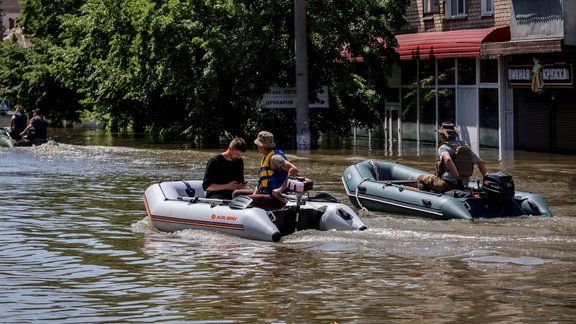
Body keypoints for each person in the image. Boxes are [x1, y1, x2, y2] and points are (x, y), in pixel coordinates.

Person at [233, 131, 299, 211]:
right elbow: (261, 181)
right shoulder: (265, 157)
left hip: (277, 199)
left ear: (261, 146)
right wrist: (255, 194)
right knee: (236, 194)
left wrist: (280, 189)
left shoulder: (275, 158)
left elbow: (294, 169)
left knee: (243, 201)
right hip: (266, 194)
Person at [417, 122, 487, 193]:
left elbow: (448, 160)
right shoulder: (465, 146)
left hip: (447, 184)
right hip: (464, 184)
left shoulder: (443, 148)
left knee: (421, 178)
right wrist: (487, 179)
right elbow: (480, 162)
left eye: (440, 134)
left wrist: (457, 177)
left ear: (442, 135)